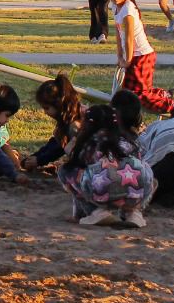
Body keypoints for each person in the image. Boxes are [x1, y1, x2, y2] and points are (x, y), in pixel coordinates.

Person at [60, 92, 156, 228]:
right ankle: (134, 213)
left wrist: (71, 150)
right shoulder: (130, 139)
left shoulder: (91, 142)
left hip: (104, 189)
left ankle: (96, 212)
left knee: (66, 171)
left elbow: (78, 168)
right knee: (143, 171)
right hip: (136, 190)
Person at [106, 0, 174, 116]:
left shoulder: (127, 10)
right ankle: (168, 95)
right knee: (128, 91)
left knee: (139, 95)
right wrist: (119, 56)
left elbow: (129, 38)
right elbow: (118, 34)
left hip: (142, 57)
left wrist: (127, 60)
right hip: (134, 55)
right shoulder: (115, 6)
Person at [21, 73, 85, 172]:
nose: (45, 112)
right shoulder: (70, 115)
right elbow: (56, 142)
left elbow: (59, 147)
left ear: (59, 104)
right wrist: (36, 157)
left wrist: (39, 160)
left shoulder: (75, 123)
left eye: (46, 108)